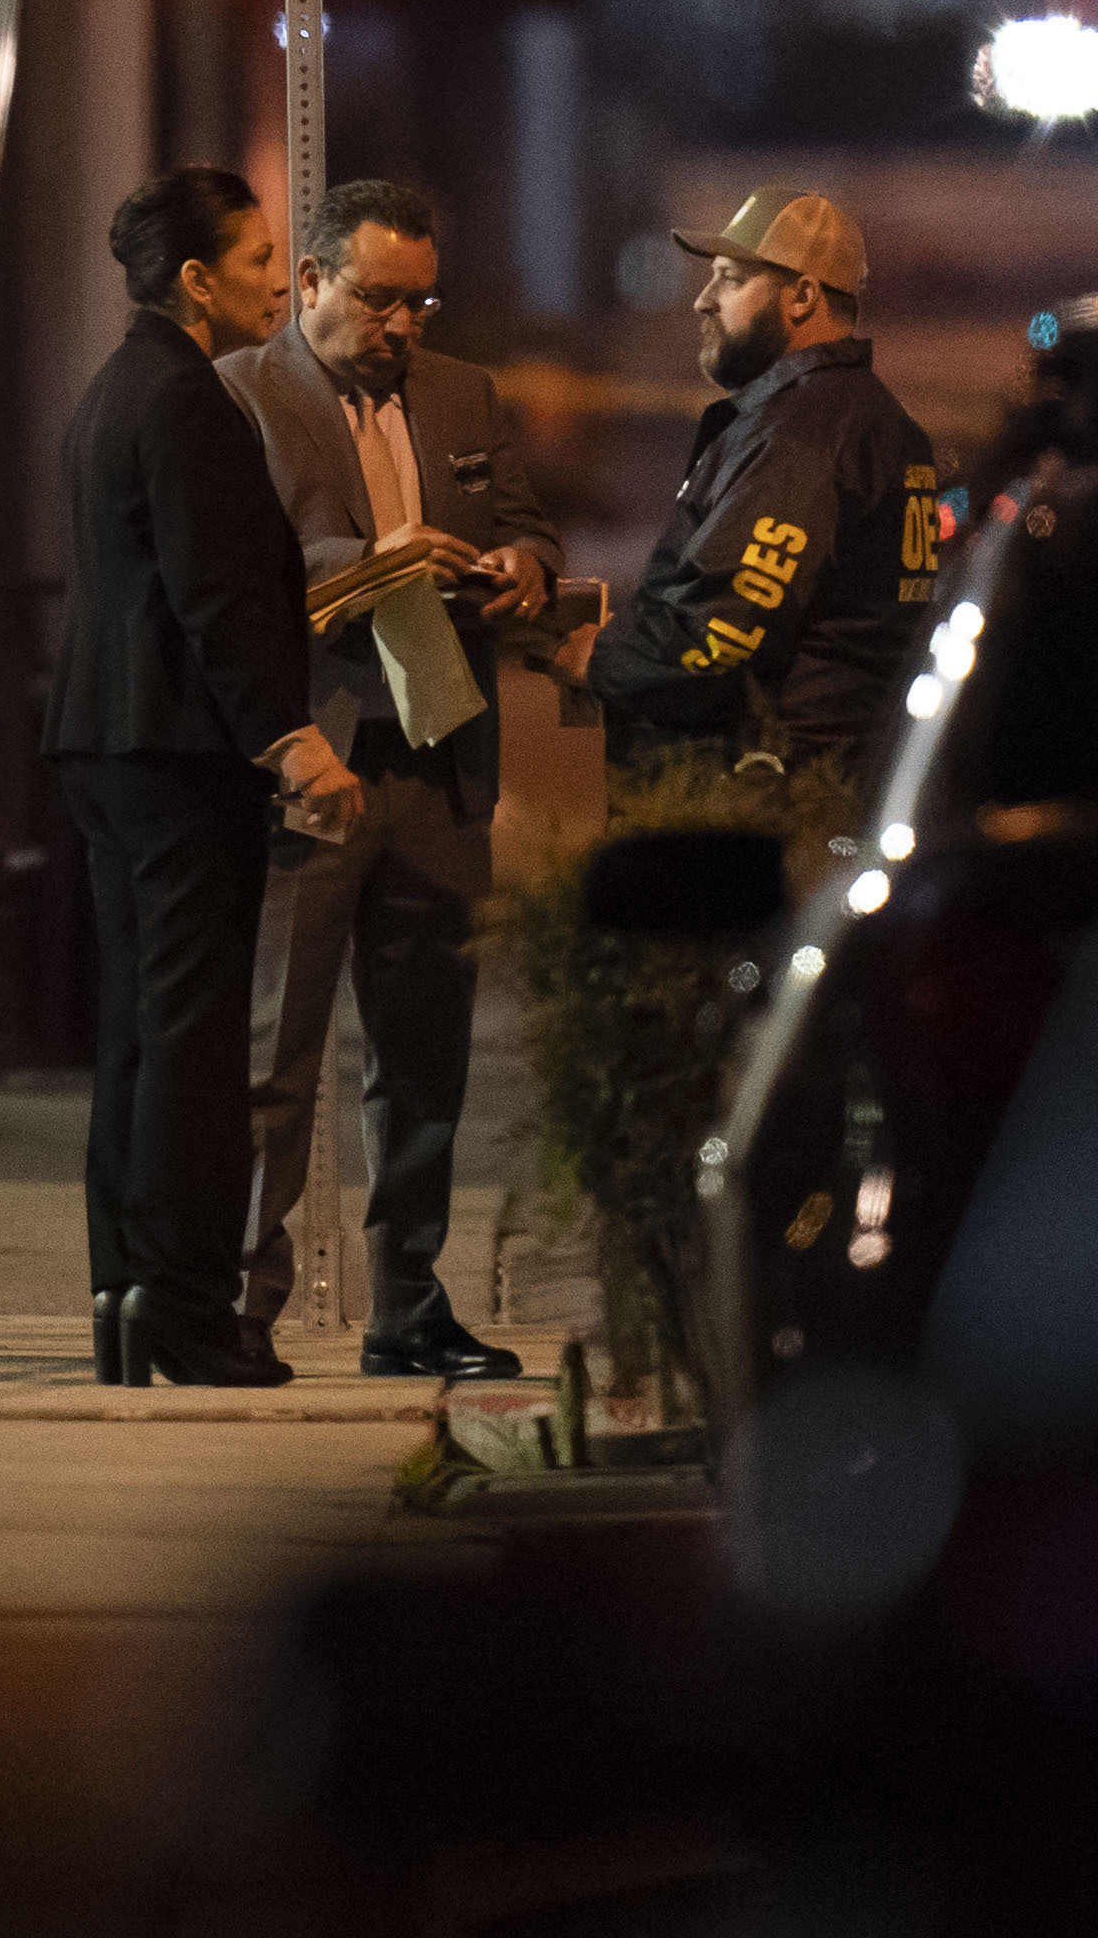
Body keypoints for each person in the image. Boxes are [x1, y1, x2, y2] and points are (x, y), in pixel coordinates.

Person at [214, 177, 559, 1380]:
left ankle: (408, 1300)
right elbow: (232, 572)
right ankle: (240, 1304)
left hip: (440, 755)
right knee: (275, 1052)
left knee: (424, 1055)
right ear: (309, 281)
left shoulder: (463, 392)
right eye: (378, 298)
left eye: (420, 300)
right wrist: (370, 560)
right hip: (315, 757)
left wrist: (522, 562)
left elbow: (529, 520)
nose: (402, 323)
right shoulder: (240, 397)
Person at [52, 169, 362, 1389]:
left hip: (110, 742)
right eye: (257, 260)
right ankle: (182, 1306)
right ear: (195, 280)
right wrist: (289, 736)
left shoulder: (115, 385)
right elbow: (216, 592)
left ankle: (126, 1294)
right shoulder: (183, 398)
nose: (280, 280)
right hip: (177, 753)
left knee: (137, 1032)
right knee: (188, 1043)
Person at [583, 187, 946, 789]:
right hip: (834, 781)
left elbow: (721, 635)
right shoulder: (867, 419)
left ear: (801, 296)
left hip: (774, 788)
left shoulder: (803, 434)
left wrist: (598, 658)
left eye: (729, 278)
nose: (702, 300)